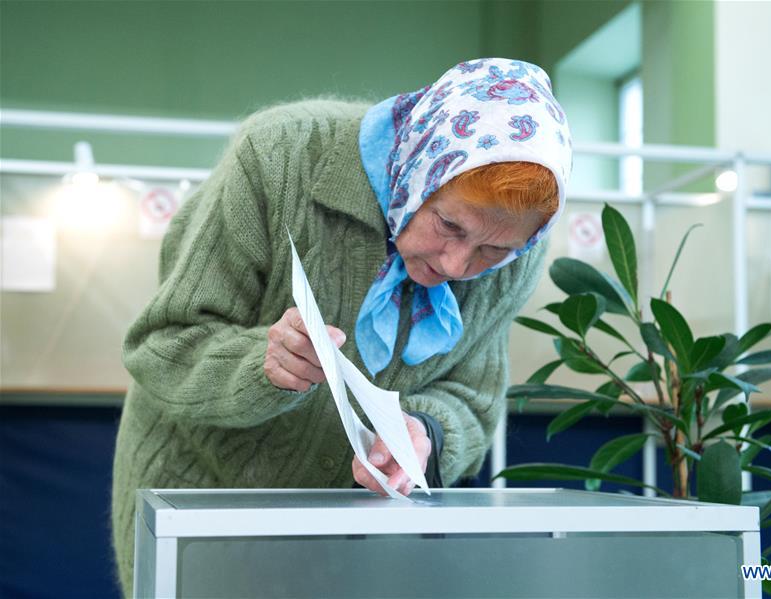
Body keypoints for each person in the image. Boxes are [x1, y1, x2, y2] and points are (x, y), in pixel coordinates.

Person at [111, 57, 572, 594]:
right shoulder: (279, 155)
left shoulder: (517, 254)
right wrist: (263, 364)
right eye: (449, 224)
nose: (455, 264)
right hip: (199, 505)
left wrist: (425, 433)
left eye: (492, 250)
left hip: (359, 536)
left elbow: (472, 397)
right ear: (420, 171)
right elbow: (164, 343)